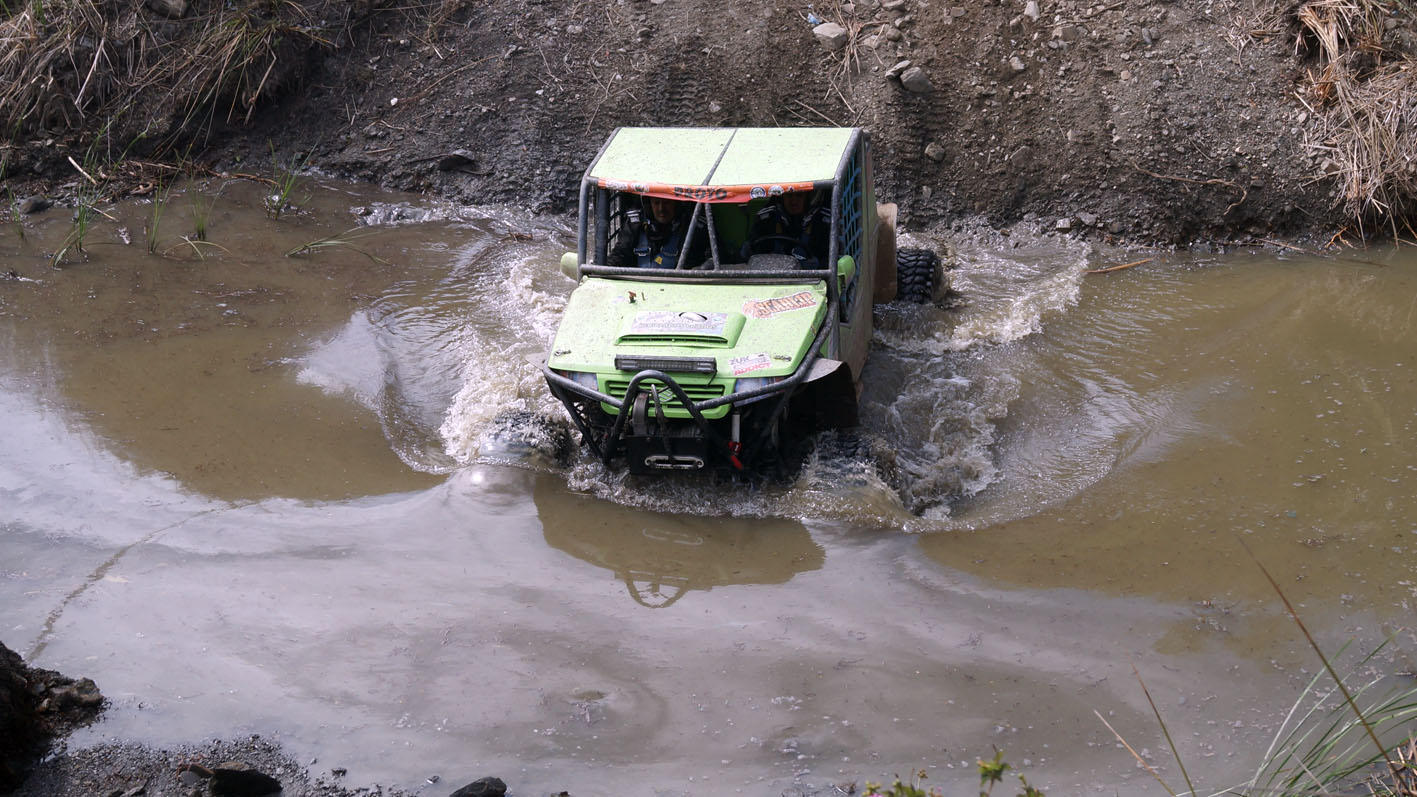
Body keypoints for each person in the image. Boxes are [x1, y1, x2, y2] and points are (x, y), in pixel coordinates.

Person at [608, 195, 706, 269]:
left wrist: (698, 271)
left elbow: (714, 259)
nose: (661, 209)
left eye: (667, 203)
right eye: (656, 203)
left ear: (677, 203)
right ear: (648, 205)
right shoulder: (635, 224)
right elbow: (620, 254)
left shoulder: (693, 227)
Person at [743, 190, 831, 268]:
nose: (794, 201)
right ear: (781, 196)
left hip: (812, 280)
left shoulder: (823, 220)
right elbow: (752, 252)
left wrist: (818, 266)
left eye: (799, 195)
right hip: (770, 277)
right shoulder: (766, 218)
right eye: (789, 195)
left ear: (808, 197)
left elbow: (833, 258)